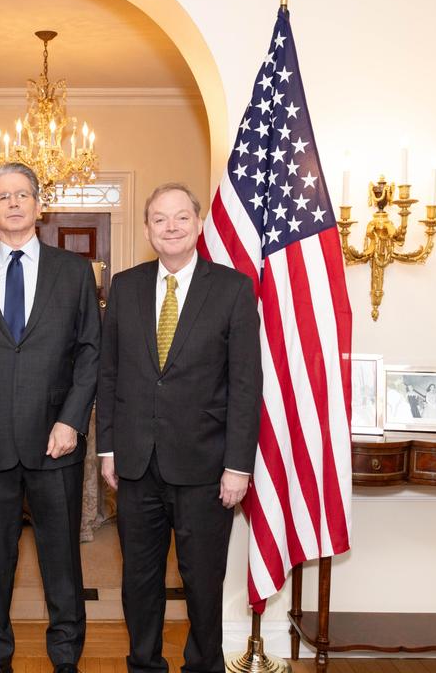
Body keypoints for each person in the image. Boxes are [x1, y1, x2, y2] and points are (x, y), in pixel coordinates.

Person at [0, 162, 100, 673]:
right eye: (2, 196)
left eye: (22, 194)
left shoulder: (74, 272)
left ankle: (66, 658)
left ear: (38, 205)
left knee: (62, 563)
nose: (12, 203)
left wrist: (72, 420)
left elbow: (91, 354)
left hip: (56, 444)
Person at [97, 183, 260, 673]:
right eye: (160, 219)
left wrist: (238, 466)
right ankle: (144, 663)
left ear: (199, 223)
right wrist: (107, 448)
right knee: (139, 580)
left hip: (207, 468)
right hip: (136, 464)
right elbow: (109, 374)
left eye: (181, 217)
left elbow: (245, 384)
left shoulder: (232, 288)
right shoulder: (124, 287)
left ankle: (203, 665)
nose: (171, 227)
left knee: (202, 580)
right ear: (147, 229)